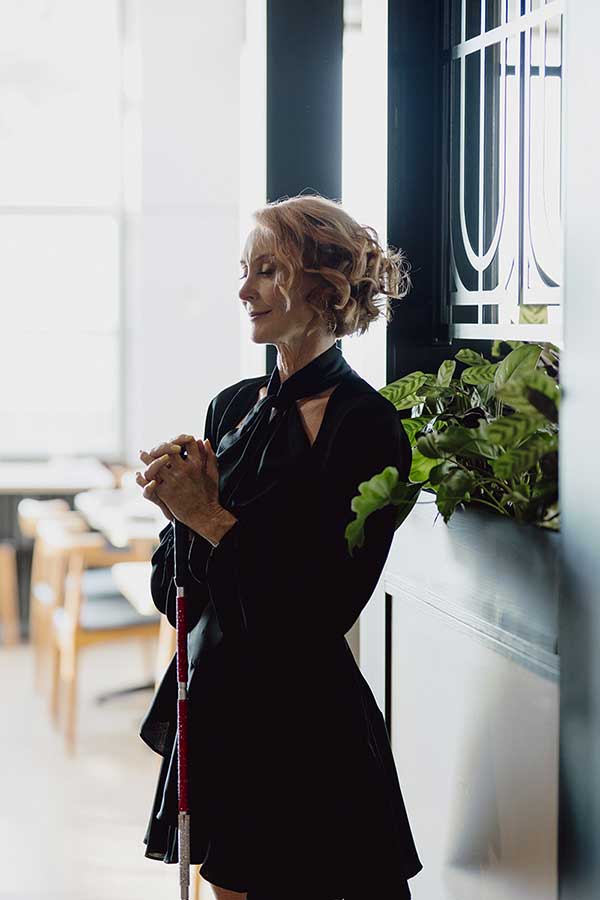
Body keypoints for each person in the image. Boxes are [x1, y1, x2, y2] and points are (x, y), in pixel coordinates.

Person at [135, 194, 423, 900]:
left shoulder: (370, 428)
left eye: (268, 269)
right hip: (222, 708)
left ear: (324, 287)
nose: (243, 290)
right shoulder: (230, 409)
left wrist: (206, 517)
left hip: (306, 729)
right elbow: (180, 597)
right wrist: (175, 511)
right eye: (244, 269)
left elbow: (318, 610)